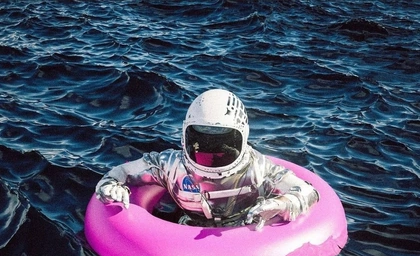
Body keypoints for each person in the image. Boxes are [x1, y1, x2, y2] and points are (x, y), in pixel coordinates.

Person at [95, 88, 319, 230]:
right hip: (186, 231)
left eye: (224, 143)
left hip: (243, 233)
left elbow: (308, 191)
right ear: (185, 136)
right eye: (201, 140)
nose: (212, 152)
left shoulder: (258, 168)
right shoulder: (170, 166)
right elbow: (121, 172)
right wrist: (110, 186)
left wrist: (282, 203)